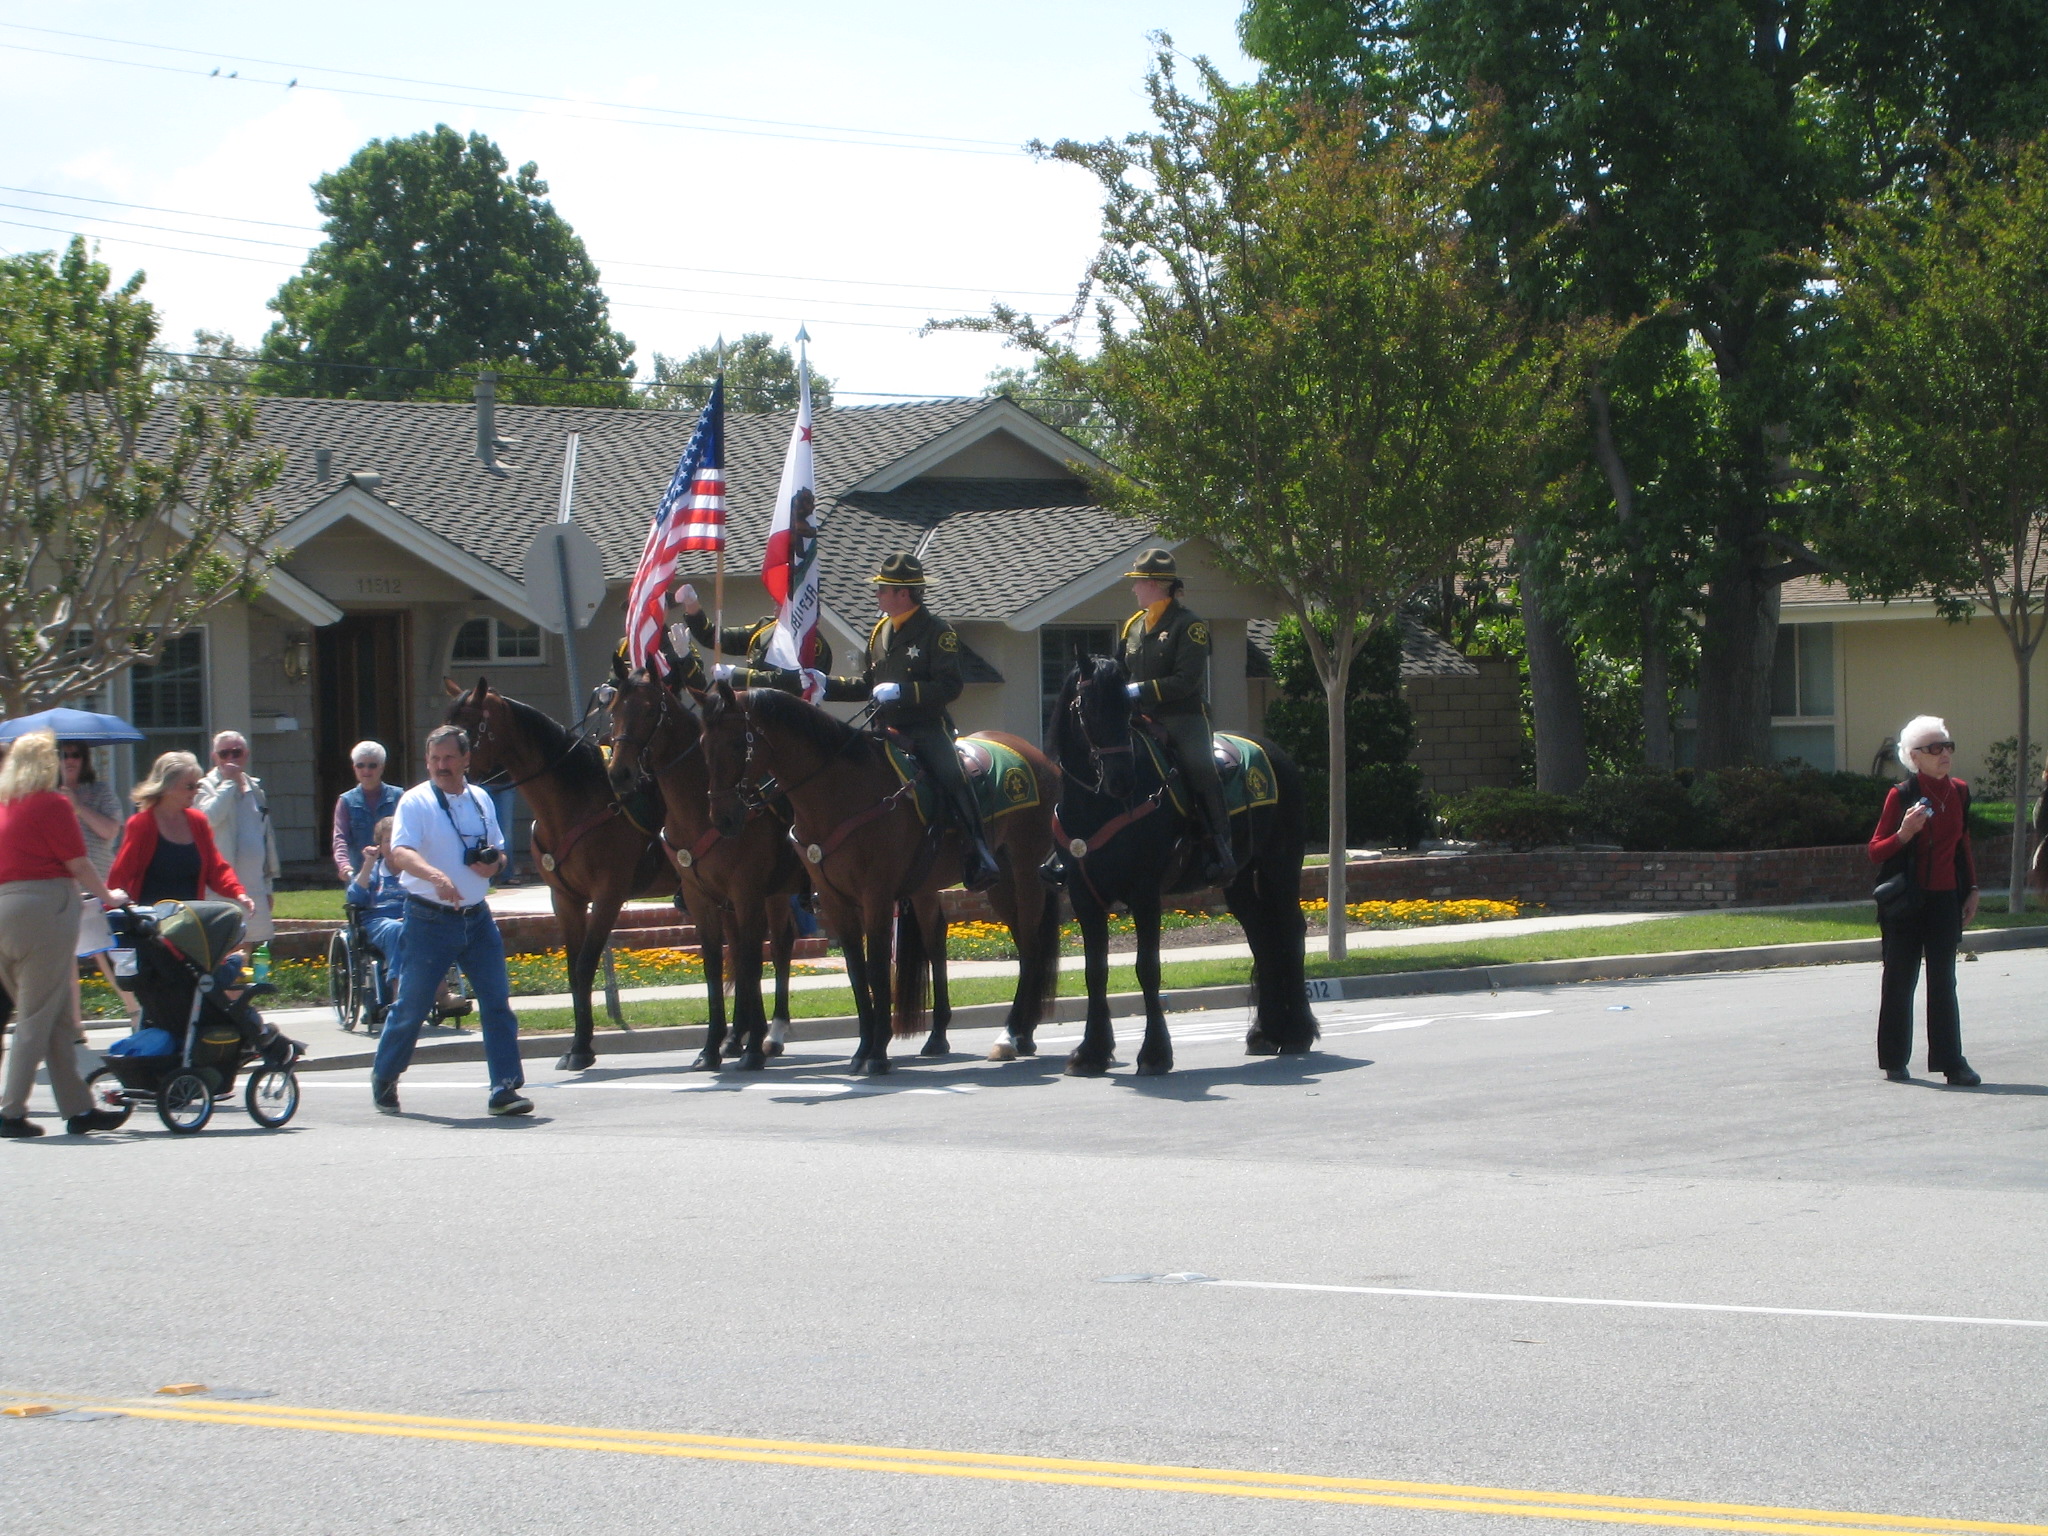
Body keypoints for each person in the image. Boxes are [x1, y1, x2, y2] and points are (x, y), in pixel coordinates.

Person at [371, 724, 530, 1118]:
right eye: (435, 758)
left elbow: (502, 855)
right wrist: (435, 876)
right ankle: (385, 1074)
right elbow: (402, 852)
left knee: (496, 1002)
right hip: (429, 919)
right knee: (412, 1004)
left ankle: (504, 1088)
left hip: (477, 919)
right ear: (427, 761)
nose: (442, 766)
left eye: (449, 758)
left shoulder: (480, 799)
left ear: (466, 760)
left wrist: (494, 862)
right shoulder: (415, 802)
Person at [821, 552, 1000, 892]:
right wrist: (825, 685)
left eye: (882, 589)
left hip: (925, 727)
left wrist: (903, 691)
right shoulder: (881, 632)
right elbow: (867, 685)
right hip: (883, 728)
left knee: (952, 774)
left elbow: (950, 687)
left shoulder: (937, 632)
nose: (877, 595)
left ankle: (978, 850)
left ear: (903, 593)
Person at [0, 732, 130, 1137]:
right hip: (46, 907)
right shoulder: (53, 804)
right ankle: (10, 1111)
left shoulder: (6, 806)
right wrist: (109, 895)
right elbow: (78, 862)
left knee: (55, 1017)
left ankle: (78, 1109)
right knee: (35, 1017)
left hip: (4, 908)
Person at [1868, 715, 1981, 1086]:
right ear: (1915, 757)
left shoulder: (1960, 791)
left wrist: (1973, 890)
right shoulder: (1900, 795)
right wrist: (1904, 832)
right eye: (1934, 748)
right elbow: (1876, 851)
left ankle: (1952, 1062)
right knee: (1900, 979)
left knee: (1943, 982)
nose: (1944, 753)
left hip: (1945, 899)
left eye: (1947, 746)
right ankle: (1894, 1059)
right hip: (1906, 901)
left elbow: (1963, 843)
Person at [1115, 547, 1235, 885]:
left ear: (1155, 584)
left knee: (1200, 769)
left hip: (1181, 717)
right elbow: (1121, 669)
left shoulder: (1189, 625)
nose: (1134, 588)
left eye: (1138, 582)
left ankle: (1221, 847)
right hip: (1139, 718)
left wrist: (1138, 691)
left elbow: (1186, 681)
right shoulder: (1133, 626)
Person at [108, 752, 255, 914]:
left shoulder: (197, 822)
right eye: (189, 786)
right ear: (167, 787)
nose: (195, 791)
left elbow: (216, 868)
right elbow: (121, 874)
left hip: (190, 921)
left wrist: (238, 893)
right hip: (150, 922)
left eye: (197, 786)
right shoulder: (142, 824)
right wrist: (110, 909)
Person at [58, 741, 133, 1022]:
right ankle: (74, 1025)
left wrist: (77, 807)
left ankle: (136, 1010)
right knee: (66, 960)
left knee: (107, 952)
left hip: (97, 884)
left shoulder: (100, 790)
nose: (69, 760)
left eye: (75, 754)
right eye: (63, 755)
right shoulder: (46, 796)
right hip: (62, 885)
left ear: (85, 758)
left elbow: (111, 829)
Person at [196, 731, 280, 944]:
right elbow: (208, 819)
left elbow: (264, 838)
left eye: (237, 752)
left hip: (255, 886)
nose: (231, 759)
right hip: (221, 887)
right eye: (224, 754)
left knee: (251, 943)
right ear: (214, 757)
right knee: (226, 944)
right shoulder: (205, 787)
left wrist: (267, 887)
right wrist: (228, 784)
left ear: (246, 754)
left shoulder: (255, 788)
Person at [676, 582, 834, 693]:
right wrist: (692, 605)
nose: (774, 600)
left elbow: (789, 683)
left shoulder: (813, 644)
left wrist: (736, 674)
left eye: (782, 599)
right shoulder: (766, 627)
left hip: (789, 720)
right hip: (755, 711)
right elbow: (715, 638)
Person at [346, 815, 407, 1013]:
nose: (392, 845)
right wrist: (368, 864)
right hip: (379, 923)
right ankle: (399, 994)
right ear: (379, 845)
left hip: (413, 919)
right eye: (387, 840)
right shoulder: (376, 871)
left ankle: (440, 994)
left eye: (397, 839)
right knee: (396, 929)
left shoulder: (415, 870)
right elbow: (354, 898)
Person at [332, 739, 403, 883]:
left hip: (396, 875)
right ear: (354, 768)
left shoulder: (399, 797)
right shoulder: (346, 801)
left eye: (372, 765)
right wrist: (344, 865)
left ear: (382, 768)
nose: (366, 771)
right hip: (358, 874)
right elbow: (340, 838)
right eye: (360, 765)